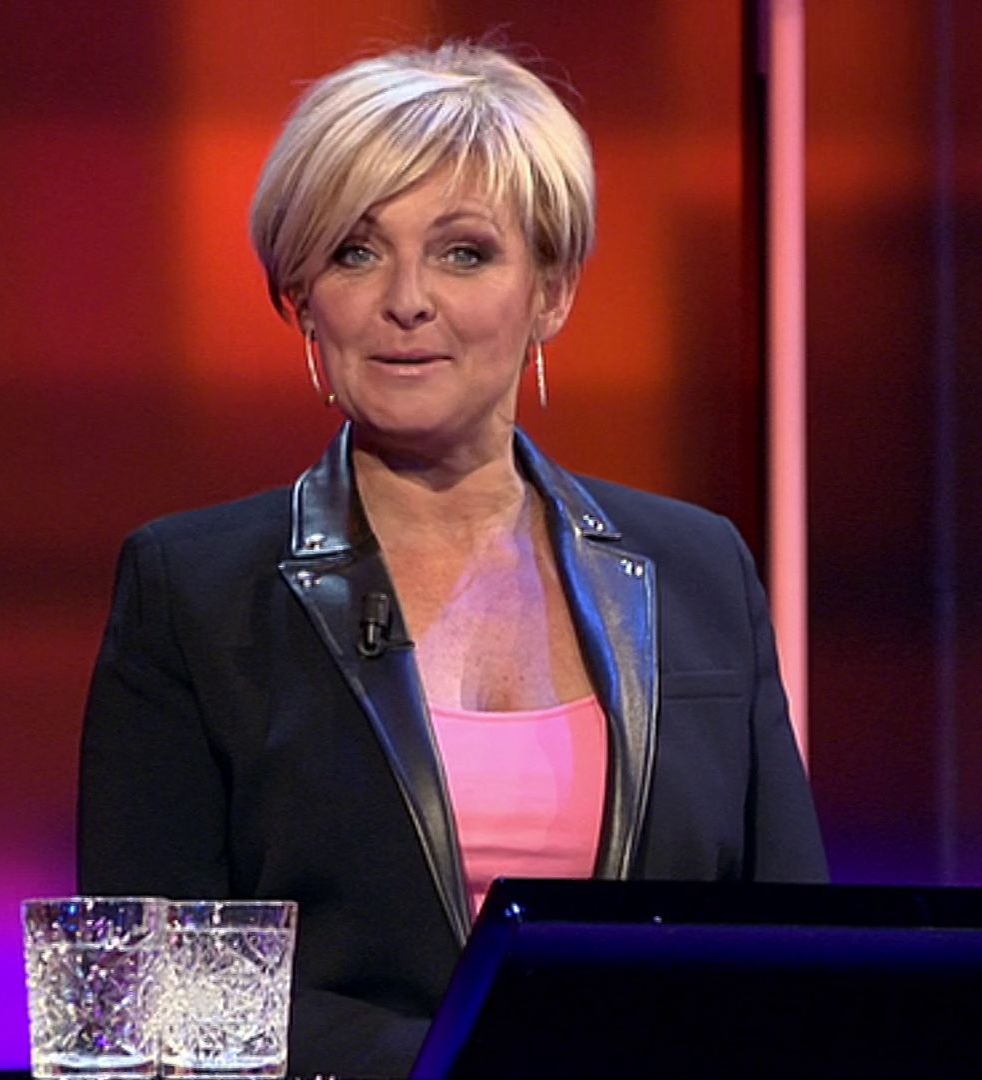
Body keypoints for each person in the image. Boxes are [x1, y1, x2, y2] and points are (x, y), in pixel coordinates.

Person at [77, 40, 827, 1078]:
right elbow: (151, 983)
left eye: (464, 253)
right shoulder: (195, 589)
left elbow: (794, 955)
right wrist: (483, 1061)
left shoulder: (698, 570)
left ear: (551, 292)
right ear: (302, 299)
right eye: (355, 253)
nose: (407, 300)